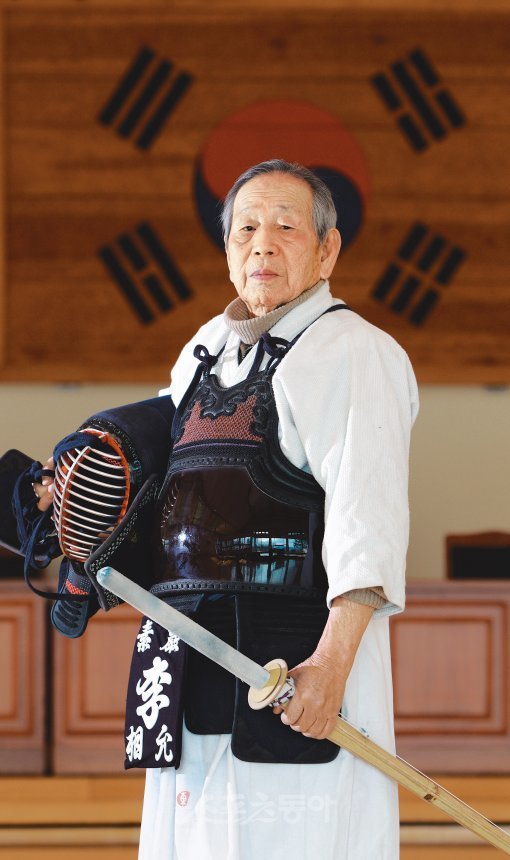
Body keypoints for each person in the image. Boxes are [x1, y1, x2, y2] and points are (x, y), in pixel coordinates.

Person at [36, 159, 418, 859]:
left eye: (285, 227)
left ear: (328, 250)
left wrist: (330, 667)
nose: (262, 244)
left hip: (288, 666)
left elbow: (370, 516)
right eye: (246, 228)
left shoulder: (354, 353)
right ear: (226, 247)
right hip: (186, 658)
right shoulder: (203, 351)